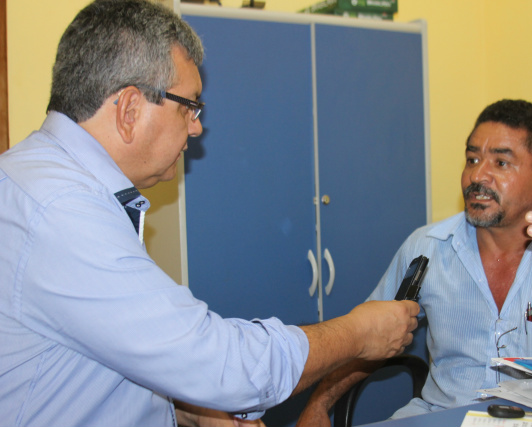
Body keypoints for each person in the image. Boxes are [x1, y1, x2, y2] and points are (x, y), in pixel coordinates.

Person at [0, 1, 420, 426]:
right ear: (129, 110)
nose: (197, 127)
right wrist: (358, 334)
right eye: (189, 106)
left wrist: (190, 413)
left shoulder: (41, 183)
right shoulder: (60, 211)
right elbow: (224, 364)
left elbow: (104, 358)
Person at [296, 99, 532, 426]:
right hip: (441, 415)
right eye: (472, 159)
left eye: (501, 163)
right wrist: (319, 403)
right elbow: (365, 336)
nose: (477, 176)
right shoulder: (427, 247)